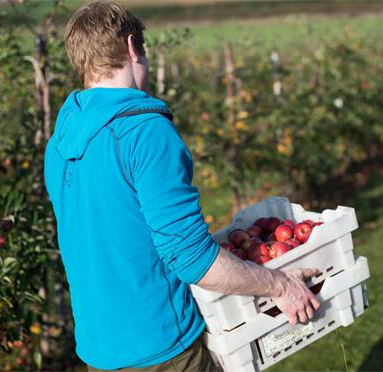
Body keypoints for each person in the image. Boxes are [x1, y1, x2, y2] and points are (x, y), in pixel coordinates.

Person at [43, 1, 320, 371]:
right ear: (131, 46)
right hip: (162, 348)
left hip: (100, 349)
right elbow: (192, 260)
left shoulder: (59, 142)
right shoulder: (144, 131)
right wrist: (281, 286)